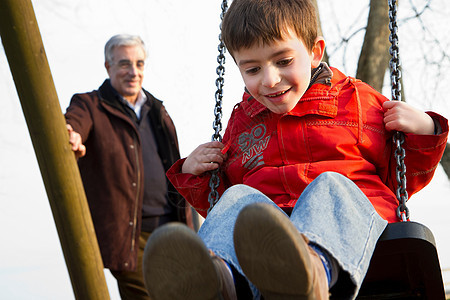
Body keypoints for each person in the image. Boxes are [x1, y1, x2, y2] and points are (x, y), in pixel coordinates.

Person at [143, 0, 449, 299]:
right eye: (252, 69)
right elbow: (221, 203)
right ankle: (216, 279)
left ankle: (308, 273)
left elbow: (402, 179)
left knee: (331, 186)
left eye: (283, 61)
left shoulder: (357, 101)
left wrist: (425, 131)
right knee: (238, 198)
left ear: (315, 52)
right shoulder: (241, 121)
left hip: (346, 231)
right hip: (263, 244)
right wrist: (195, 174)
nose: (270, 80)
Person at [65, 34, 194, 300]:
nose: (133, 72)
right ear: (108, 67)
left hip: (173, 227)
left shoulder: (157, 109)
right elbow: (73, 123)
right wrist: (71, 134)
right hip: (129, 238)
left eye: (139, 64)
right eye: (124, 64)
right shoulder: (90, 105)